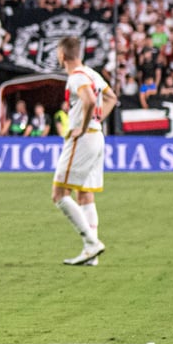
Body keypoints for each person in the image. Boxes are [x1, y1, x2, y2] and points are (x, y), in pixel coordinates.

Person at [51, 36, 116, 266]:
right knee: (85, 194)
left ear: (62, 55)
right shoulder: (92, 73)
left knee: (59, 194)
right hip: (97, 136)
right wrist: (97, 121)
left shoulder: (77, 76)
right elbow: (111, 97)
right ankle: (92, 255)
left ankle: (91, 243)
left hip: (84, 137)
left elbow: (88, 99)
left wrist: (83, 125)